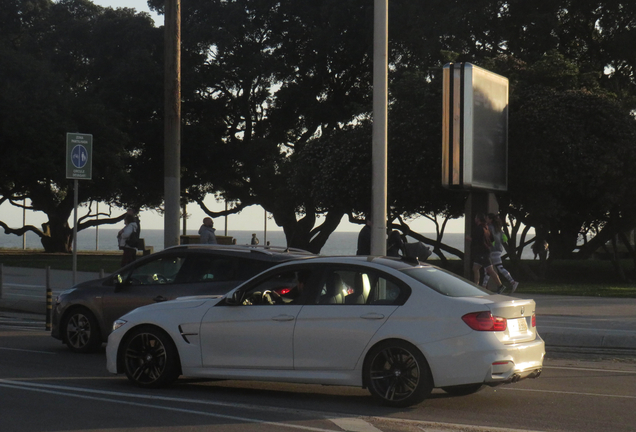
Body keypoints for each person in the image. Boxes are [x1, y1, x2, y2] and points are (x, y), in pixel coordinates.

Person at [482, 213, 519, 294]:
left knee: (495, 268)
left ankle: (512, 282)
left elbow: (487, 238)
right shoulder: (499, 229)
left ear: (490, 219)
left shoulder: (489, 228)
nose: (486, 220)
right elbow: (504, 239)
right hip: (498, 249)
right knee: (490, 268)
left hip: (492, 250)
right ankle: (484, 286)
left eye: (487, 218)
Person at [467, 213, 503, 292]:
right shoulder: (486, 228)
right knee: (475, 268)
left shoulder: (479, 229)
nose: (475, 219)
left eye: (476, 218)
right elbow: (492, 239)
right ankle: (476, 286)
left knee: (490, 270)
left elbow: (477, 240)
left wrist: (469, 239)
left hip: (482, 252)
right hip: (483, 252)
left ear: (478, 219)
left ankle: (500, 285)